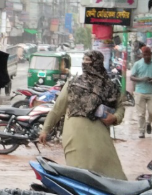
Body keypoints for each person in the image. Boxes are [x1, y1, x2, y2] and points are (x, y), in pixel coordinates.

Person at [40, 51, 127, 179]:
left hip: (99, 136)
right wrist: (45, 129)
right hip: (74, 135)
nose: (84, 63)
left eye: (88, 60)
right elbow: (57, 109)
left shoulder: (110, 86)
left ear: (97, 63)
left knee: (109, 174)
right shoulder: (73, 83)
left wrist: (114, 118)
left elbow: (120, 107)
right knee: (77, 173)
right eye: (84, 60)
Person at [130, 45, 152, 138]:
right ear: (142, 55)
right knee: (140, 114)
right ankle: (141, 131)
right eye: (144, 55)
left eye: (148, 55)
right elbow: (131, 76)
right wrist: (141, 79)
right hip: (140, 91)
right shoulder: (137, 64)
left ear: (151, 54)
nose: (146, 57)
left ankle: (148, 122)